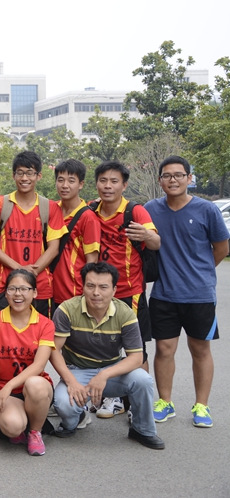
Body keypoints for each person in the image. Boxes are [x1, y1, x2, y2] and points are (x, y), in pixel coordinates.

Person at [145, 155, 229, 428]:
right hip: (163, 294)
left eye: (179, 175)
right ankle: (165, 402)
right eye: (167, 176)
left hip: (199, 295)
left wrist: (200, 273)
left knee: (200, 349)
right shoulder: (151, 209)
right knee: (164, 349)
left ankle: (201, 405)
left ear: (189, 179)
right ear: (160, 180)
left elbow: (222, 249)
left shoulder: (207, 210)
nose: (173, 180)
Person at [49, 262, 165, 449]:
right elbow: (53, 349)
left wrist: (104, 375)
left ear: (114, 290)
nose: (96, 292)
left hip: (111, 370)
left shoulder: (125, 313)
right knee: (63, 403)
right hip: (78, 370)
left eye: (103, 287)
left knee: (143, 380)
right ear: (83, 287)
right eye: (90, 286)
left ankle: (142, 429)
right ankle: (75, 420)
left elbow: (136, 357)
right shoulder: (66, 310)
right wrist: (70, 381)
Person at [91, 160, 159, 379]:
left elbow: (155, 242)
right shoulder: (90, 210)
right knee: (100, 349)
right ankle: (105, 394)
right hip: (97, 294)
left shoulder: (134, 211)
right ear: (96, 184)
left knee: (136, 350)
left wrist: (147, 235)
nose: (107, 186)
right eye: (103, 180)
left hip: (130, 294)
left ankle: (138, 396)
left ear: (124, 185)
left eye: (114, 181)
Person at [0, 151, 66, 317]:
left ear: (39, 176)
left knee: (40, 332)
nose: (25, 178)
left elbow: (54, 248)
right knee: (2, 331)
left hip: (40, 287)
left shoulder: (50, 208)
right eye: (20, 173)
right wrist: (18, 269)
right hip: (6, 285)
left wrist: (32, 273)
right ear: (13, 175)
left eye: (30, 173)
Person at [0, 269, 55, 456]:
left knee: (35, 384)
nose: (18, 294)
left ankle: (35, 431)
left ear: (35, 293)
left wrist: (10, 385)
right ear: (5, 293)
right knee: (13, 427)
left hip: (33, 389)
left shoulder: (45, 324)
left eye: (24, 289)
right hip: (4, 391)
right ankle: (21, 421)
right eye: (12, 289)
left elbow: (39, 366)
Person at [51, 159, 100, 309]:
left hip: (75, 295)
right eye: (60, 180)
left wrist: (87, 295)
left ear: (81, 184)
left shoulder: (88, 217)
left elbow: (92, 261)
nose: (65, 185)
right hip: (48, 291)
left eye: (71, 181)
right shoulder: (51, 210)